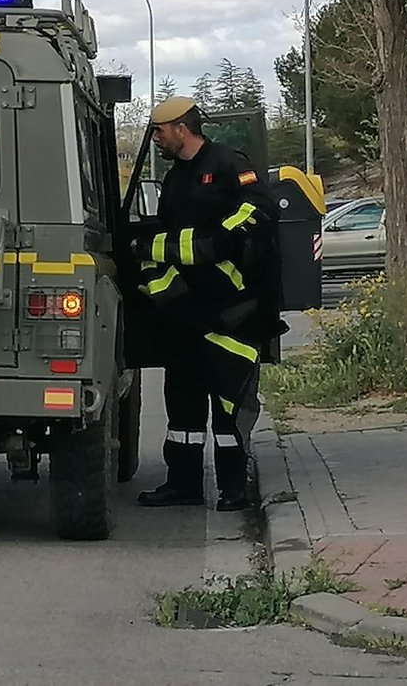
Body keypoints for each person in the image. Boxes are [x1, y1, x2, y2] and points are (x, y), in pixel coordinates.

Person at [133, 97, 285, 512]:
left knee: (228, 402)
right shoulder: (176, 177)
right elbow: (172, 236)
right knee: (182, 403)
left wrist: (220, 241)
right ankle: (182, 482)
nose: (156, 139)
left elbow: (260, 208)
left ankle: (234, 487)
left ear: (181, 128)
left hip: (232, 308)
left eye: (159, 131)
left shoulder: (227, 163)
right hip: (186, 312)